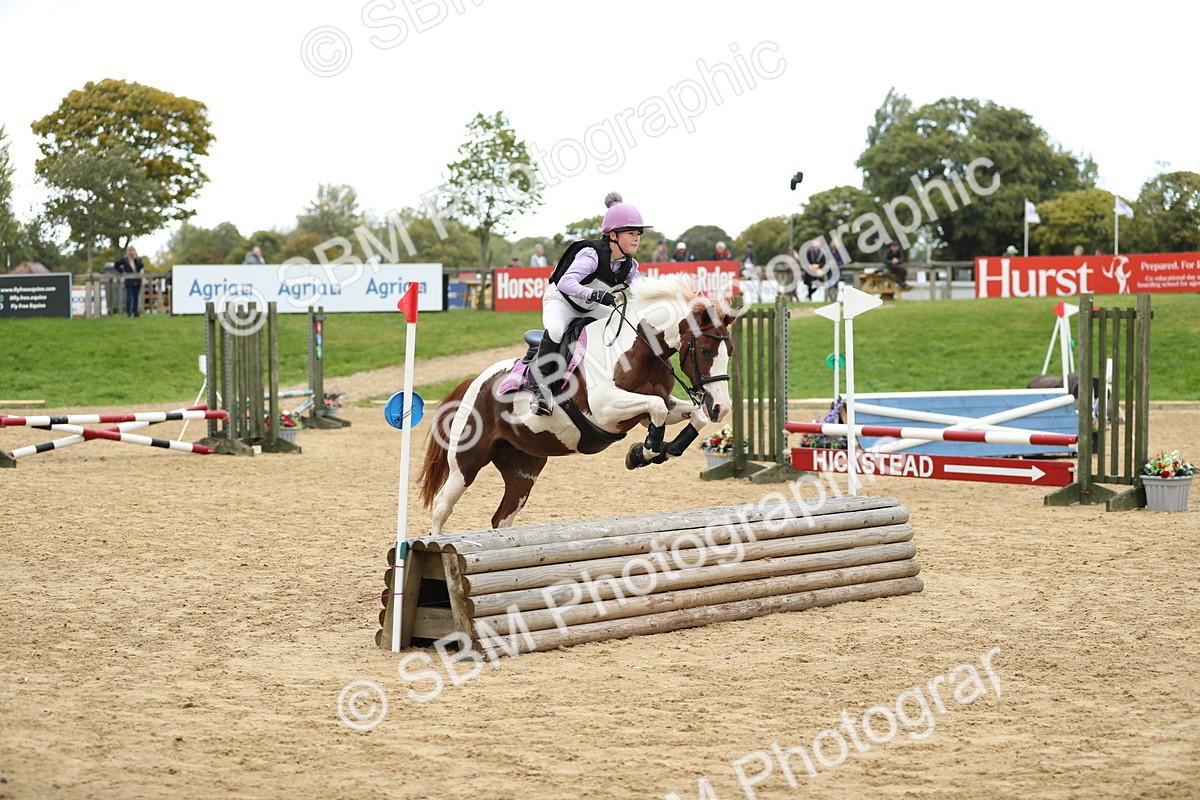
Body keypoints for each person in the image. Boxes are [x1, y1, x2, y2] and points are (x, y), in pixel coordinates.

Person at [530, 192, 648, 416]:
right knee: (556, 331)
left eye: (638, 234)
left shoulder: (630, 265)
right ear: (613, 235)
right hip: (561, 301)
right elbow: (565, 283)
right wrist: (595, 295)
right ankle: (541, 389)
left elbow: (642, 290)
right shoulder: (591, 254)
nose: (637, 238)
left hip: (590, 307)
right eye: (631, 233)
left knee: (621, 326)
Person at [114, 246, 144, 317]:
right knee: (129, 297)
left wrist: (135, 259)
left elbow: (141, 266)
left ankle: (136, 312)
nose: (132, 252)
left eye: (133, 250)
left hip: (137, 280)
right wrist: (122, 271)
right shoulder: (125, 260)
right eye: (131, 250)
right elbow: (116, 265)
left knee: (136, 297)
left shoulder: (138, 259)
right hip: (129, 281)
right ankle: (128, 312)